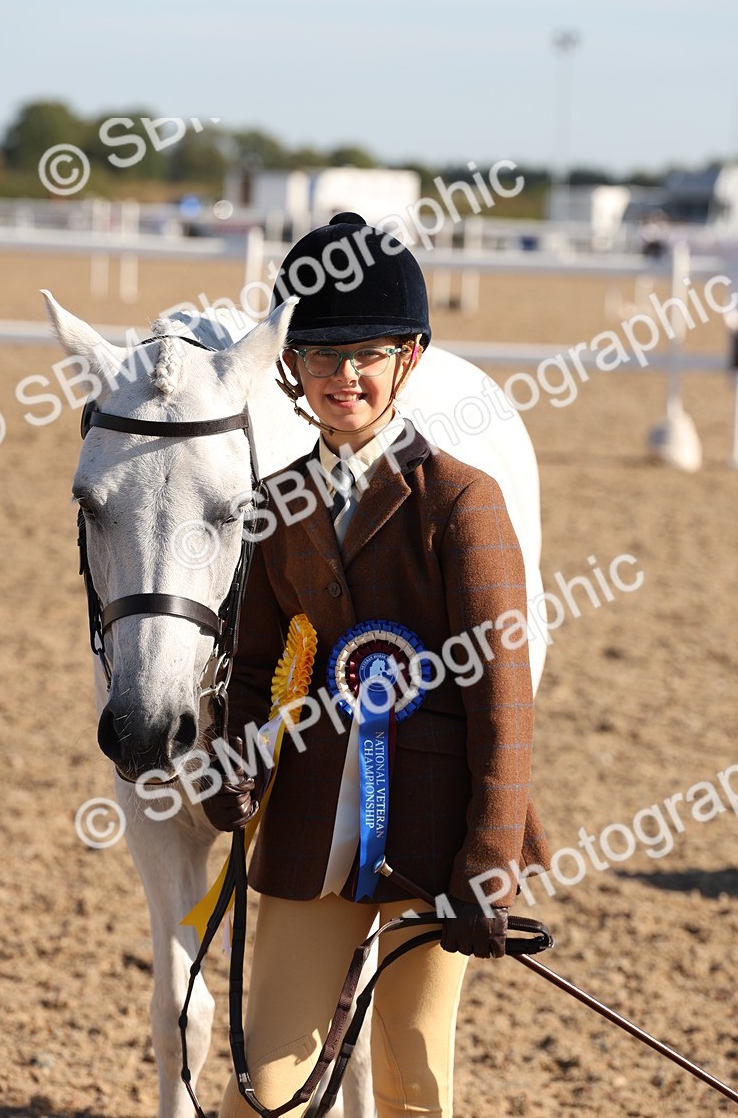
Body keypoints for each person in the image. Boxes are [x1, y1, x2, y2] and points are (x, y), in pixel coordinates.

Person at [204, 213, 550, 1118]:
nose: (344, 375)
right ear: (292, 366)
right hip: (309, 828)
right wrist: (234, 764)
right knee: (262, 1084)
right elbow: (255, 665)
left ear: (410, 358)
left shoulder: (463, 501)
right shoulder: (276, 502)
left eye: (367, 353)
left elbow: (504, 702)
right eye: (322, 354)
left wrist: (489, 860)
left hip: (434, 841)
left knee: (412, 1083)